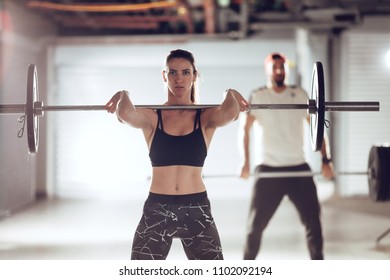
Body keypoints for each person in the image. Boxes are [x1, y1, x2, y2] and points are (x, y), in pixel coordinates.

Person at [105, 49, 249, 260]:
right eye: (173, 73)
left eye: (185, 72)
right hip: (158, 208)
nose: (179, 79)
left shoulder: (204, 117)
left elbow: (230, 112)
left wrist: (231, 92)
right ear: (165, 76)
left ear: (194, 75)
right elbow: (125, 113)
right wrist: (123, 94)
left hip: (196, 209)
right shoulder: (153, 117)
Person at [239, 52, 335, 260]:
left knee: (314, 226)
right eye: (275, 67)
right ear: (268, 70)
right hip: (268, 169)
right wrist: (245, 162)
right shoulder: (258, 96)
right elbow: (244, 131)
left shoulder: (300, 94)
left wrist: (326, 160)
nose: (279, 70)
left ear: (287, 69)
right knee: (254, 228)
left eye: (282, 67)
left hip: (298, 168)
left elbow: (319, 130)